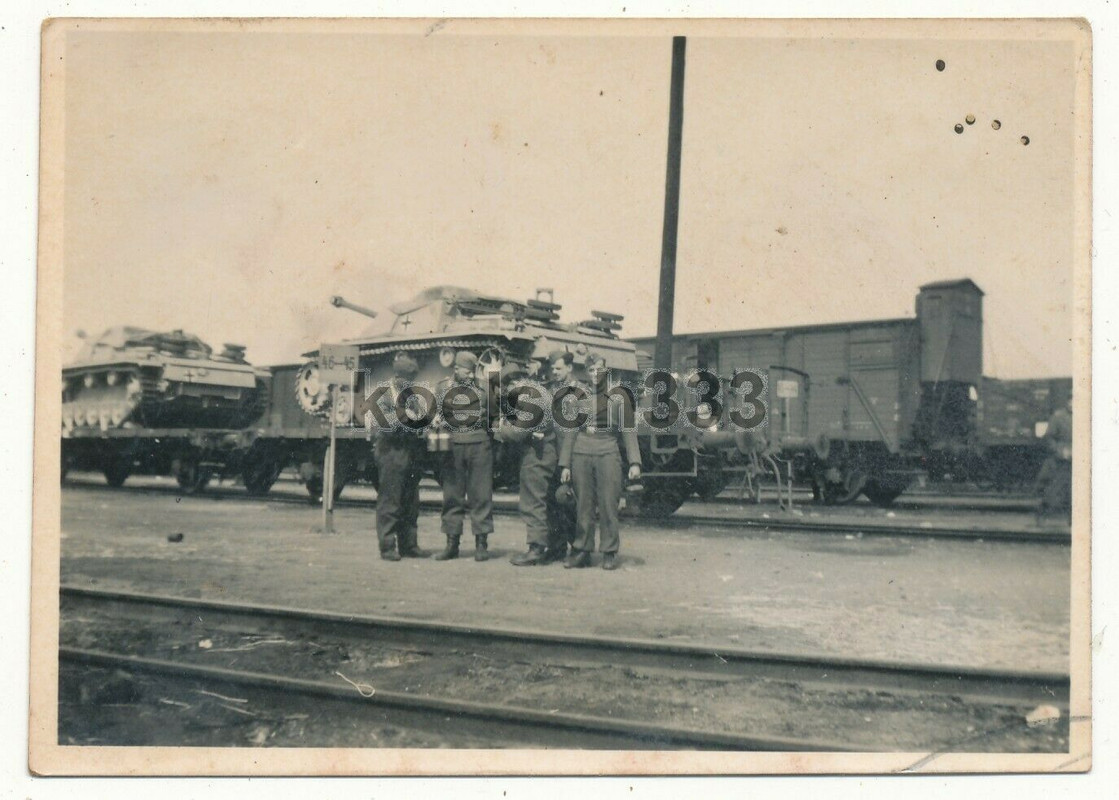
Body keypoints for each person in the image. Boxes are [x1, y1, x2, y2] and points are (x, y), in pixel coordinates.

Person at [558, 351, 642, 570]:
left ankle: (609, 551)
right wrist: (565, 464)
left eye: (600, 370)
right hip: (582, 451)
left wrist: (634, 462)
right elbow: (571, 430)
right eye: (592, 370)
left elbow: (628, 430)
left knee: (608, 503)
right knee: (583, 505)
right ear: (587, 372)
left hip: (608, 450)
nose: (596, 374)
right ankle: (582, 550)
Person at [510, 350, 582, 566]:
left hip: (570, 454)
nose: (555, 372)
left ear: (570, 367)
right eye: (553, 368)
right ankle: (557, 546)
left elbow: (571, 429)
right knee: (551, 502)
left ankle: (578, 547)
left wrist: (565, 461)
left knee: (569, 501)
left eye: (559, 368)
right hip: (551, 452)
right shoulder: (550, 388)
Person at [433, 350, 497, 562]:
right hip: (453, 447)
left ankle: (481, 544)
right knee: (452, 496)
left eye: (472, 372)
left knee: (481, 496)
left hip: (479, 445)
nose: (469, 376)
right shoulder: (443, 387)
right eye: (465, 371)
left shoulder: (485, 388)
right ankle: (452, 544)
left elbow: (492, 417)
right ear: (456, 368)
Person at [369, 351, 428, 561]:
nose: (409, 384)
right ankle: (387, 547)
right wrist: (407, 418)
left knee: (411, 502)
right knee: (390, 501)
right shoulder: (382, 394)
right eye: (407, 380)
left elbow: (419, 420)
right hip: (390, 452)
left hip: (410, 453)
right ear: (397, 377)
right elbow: (382, 424)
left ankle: (409, 545)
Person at [1037, 397, 1073, 522]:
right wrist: (1060, 450)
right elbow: (1049, 437)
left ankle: (1072, 520)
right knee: (1056, 489)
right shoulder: (1058, 417)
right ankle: (1042, 515)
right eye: (1072, 400)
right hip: (1063, 459)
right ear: (1068, 402)